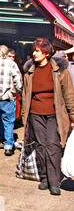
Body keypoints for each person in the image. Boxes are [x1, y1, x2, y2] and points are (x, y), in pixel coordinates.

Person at [21, 38, 74, 196]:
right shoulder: (30, 71)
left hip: (54, 115)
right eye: (34, 51)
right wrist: (25, 115)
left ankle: (54, 180)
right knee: (41, 147)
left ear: (46, 52)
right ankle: (44, 178)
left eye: (37, 51)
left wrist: (73, 116)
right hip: (35, 114)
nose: (34, 54)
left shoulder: (59, 70)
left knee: (53, 146)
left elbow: (69, 95)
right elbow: (25, 96)